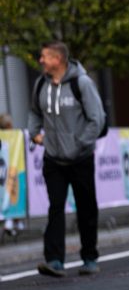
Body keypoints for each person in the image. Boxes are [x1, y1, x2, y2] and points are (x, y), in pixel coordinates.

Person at [27, 41, 106, 277]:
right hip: (53, 158)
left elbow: (97, 118)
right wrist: (35, 134)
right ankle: (54, 260)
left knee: (86, 207)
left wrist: (80, 143)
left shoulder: (81, 83)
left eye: (44, 57)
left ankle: (90, 257)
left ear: (57, 59)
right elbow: (34, 111)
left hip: (80, 158)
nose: (40, 61)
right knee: (55, 207)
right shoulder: (41, 84)